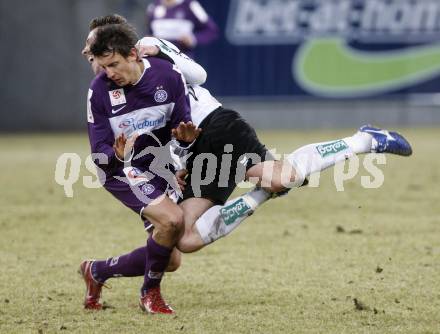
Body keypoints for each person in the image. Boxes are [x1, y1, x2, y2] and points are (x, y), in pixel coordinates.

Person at [80, 15, 413, 315]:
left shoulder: (152, 55)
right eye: (92, 56)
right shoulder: (105, 89)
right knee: (184, 243)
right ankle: (97, 270)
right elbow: (145, 139)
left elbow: (198, 75)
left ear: (123, 46)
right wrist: (171, 161)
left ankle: (365, 140)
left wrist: (165, 51)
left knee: (282, 177)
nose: (92, 60)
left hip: (215, 126)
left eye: (95, 52)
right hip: (184, 154)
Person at [83, 22, 201, 314]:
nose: (109, 72)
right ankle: (150, 294)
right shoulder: (99, 91)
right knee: (172, 220)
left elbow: (181, 129)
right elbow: (99, 153)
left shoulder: (169, 77)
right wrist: (117, 154)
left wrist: (184, 145)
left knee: (170, 259)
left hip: (157, 166)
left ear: (134, 54)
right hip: (119, 169)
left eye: (114, 64)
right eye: (103, 65)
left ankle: (96, 271)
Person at [146, 0, 218, 58]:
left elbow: (211, 30)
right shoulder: (153, 7)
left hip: (182, 59)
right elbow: (150, 33)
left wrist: (193, 39)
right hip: (158, 59)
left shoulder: (191, 5)